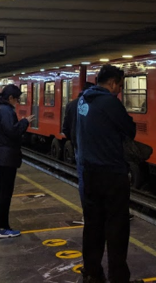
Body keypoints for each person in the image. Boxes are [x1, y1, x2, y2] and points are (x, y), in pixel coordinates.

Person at [77, 65, 137, 283]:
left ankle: (92, 273)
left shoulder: (84, 100)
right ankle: (118, 278)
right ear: (113, 83)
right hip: (111, 173)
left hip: (89, 172)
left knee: (92, 225)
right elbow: (130, 129)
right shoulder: (111, 102)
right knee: (116, 228)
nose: (119, 90)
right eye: (119, 86)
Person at [0, 84, 34, 238]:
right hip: (7, 155)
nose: (18, 102)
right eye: (17, 99)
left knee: (0, 191)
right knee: (6, 192)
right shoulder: (6, 111)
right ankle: (2, 227)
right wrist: (24, 122)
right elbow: (13, 132)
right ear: (10, 98)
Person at [62, 81, 95, 224]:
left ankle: (87, 212)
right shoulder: (97, 105)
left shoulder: (71, 105)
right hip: (96, 148)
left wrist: (74, 140)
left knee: (83, 179)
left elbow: (65, 129)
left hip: (79, 148)